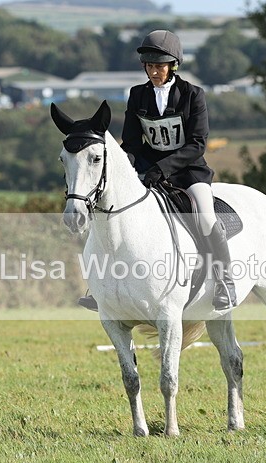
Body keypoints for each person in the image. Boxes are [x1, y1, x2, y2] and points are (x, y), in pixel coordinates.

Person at [78, 29, 237, 312]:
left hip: (188, 172)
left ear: (173, 65)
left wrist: (162, 168)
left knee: (205, 217)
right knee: (112, 214)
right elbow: (131, 142)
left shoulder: (193, 95)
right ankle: (100, 286)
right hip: (147, 171)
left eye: (159, 66)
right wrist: (132, 168)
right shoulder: (137, 95)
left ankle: (225, 281)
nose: (154, 72)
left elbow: (197, 144)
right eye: (149, 66)